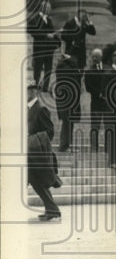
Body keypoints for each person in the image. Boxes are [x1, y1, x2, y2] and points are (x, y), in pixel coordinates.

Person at [26, 81, 60, 221]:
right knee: (34, 181)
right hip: (28, 153)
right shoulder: (27, 108)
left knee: (34, 181)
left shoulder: (41, 108)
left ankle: (53, 209)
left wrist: (31, 139)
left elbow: (50, 132)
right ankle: (52, 209)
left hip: (35, 153)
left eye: (26, 91)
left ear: (34, 92)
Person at [28, 0, 60, 91]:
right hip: (39, 48)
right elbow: (31, 31)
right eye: (48, 8)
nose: (49, 10)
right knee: (37, 67)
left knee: (48, 68)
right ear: (43, 8)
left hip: (49, 49)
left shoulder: (49, 20)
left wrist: (58, 42)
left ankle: (45, 87)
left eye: (49, 8)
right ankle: (35, 85)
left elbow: (52, 32)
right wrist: (46, 35)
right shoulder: (35, 18)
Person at [54, 53, 82, 151]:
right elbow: (77, 76)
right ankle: (64, 145)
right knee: (67, 123)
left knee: (68, 123)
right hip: (68, 100)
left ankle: (66, 145)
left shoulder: (62, 68)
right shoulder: (67, 68)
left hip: (66, 99)